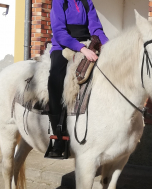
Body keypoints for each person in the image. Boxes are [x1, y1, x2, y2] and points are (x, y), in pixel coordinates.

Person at [47, 0, 109, 158]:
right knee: (55, 79)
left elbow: (96, 28)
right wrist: (81, 48)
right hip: (62, 46)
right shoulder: (59, 2)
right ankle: (59, 136)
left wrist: (109, 47)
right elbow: (59, 32)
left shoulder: (87, 2)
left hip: (86, 44)